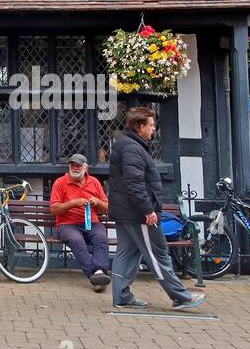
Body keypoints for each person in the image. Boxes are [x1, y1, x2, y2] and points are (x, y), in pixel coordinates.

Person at [108, 107, 206, 310]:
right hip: (138, 214)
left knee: (126, 253)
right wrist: (147, 210)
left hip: (126, 211)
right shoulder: (132, 148)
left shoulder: (129, 145)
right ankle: (180, 296)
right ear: (140, 127)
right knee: (158, 253)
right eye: (151, 125)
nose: (154, 129)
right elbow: (134, 183)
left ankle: (121, 296)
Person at [50, 152, 111, 291]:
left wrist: (97, 202)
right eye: (73, 165)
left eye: (78, 165)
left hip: (92, 222)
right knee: (76, 240)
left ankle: (99, 271)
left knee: (101, 237)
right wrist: (73, 203)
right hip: (67, 224)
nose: (75, 168)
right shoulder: (60, 182)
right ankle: (96, 275)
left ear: (86, 168)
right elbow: (54, 209)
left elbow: (107, 208)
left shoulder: (94, 182)